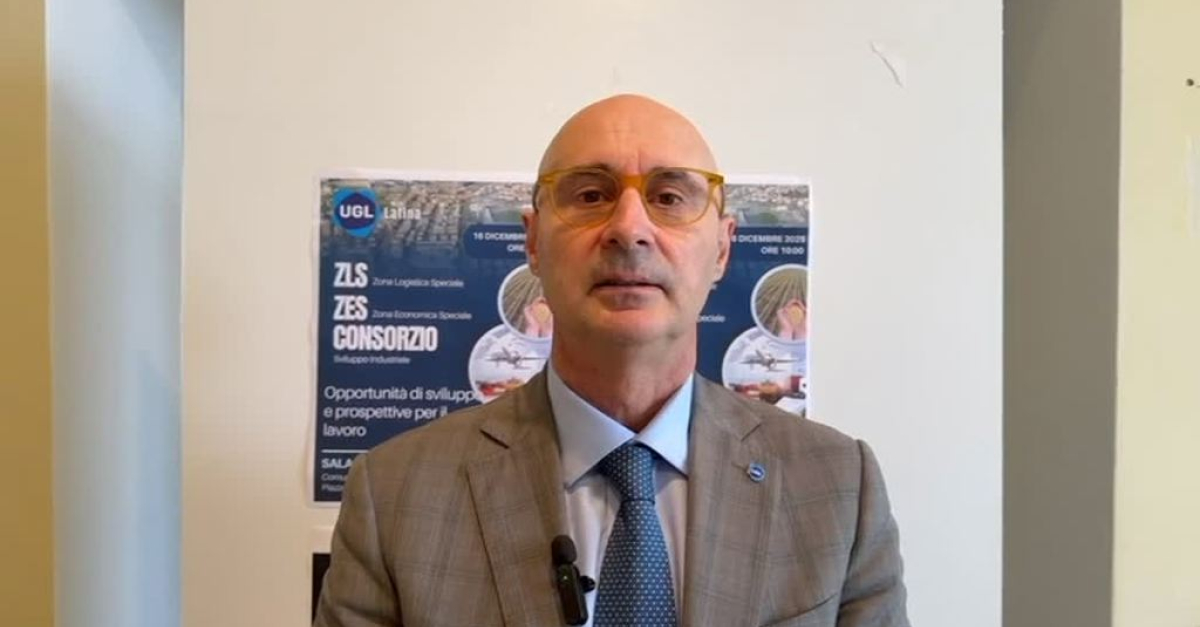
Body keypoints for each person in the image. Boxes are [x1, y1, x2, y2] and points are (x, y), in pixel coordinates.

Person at [314, 95, 909, 627]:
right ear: (533, 243)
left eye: (669, 197)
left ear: (723, 249)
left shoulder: (838, 489)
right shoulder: (395, 495)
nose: (629, 228)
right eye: (590, 195)